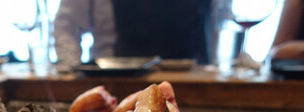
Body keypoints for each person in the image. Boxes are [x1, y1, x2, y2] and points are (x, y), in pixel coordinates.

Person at [54, 0, 212, 67]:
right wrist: (74, 82)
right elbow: (67, 26)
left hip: (189, 81)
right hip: (115, 84)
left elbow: (217, 22)